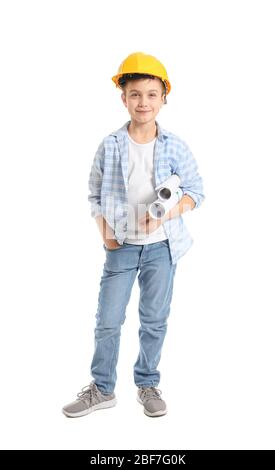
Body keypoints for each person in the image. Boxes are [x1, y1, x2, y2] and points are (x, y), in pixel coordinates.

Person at [62, 52, 205, 418]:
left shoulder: (174, 145)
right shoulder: (110, 145)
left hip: (163, 248)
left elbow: (196, 191)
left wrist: (165, 215)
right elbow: (94, 194)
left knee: (154, 319)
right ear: (123, 97)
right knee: (108, 319)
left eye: (152, 94)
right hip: (121, 248)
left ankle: (147, 383)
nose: (144, 102)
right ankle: (102, 388)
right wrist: (105, 234)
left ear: (164, 97)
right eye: (136, 94)